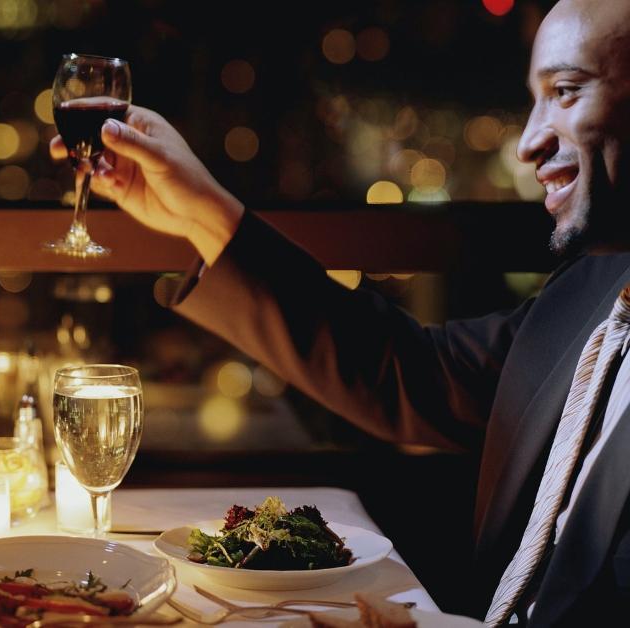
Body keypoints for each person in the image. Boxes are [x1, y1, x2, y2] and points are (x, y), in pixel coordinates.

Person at [52, 0, 630, 625]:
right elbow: (410, 373)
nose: (528, 143)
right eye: (535, 99)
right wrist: (202, 213)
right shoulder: (593, 291)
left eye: (567, 92)